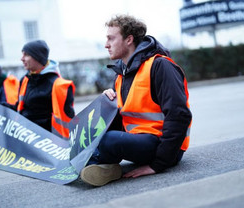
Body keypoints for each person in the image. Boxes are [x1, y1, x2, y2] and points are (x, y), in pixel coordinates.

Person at [80, 15, 192, 186]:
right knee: (94, 133)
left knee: (107, 140)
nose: (106, 44)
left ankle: (94, 163)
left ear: (129, 40)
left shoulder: (160, 66)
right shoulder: (121, 75)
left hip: (164, 146)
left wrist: (159, 164)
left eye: (111, 38)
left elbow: (180, 115)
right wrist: (107, 104)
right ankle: (101, 166)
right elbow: (123, 118)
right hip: (137, 141)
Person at [0, 40, 75, 138]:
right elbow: (18, 109)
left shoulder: (58, 86)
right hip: (26, 141)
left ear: (38, 57)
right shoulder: (25, 80)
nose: (22, 59)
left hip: (48, 146)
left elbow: (68, 123)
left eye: (26, 55)